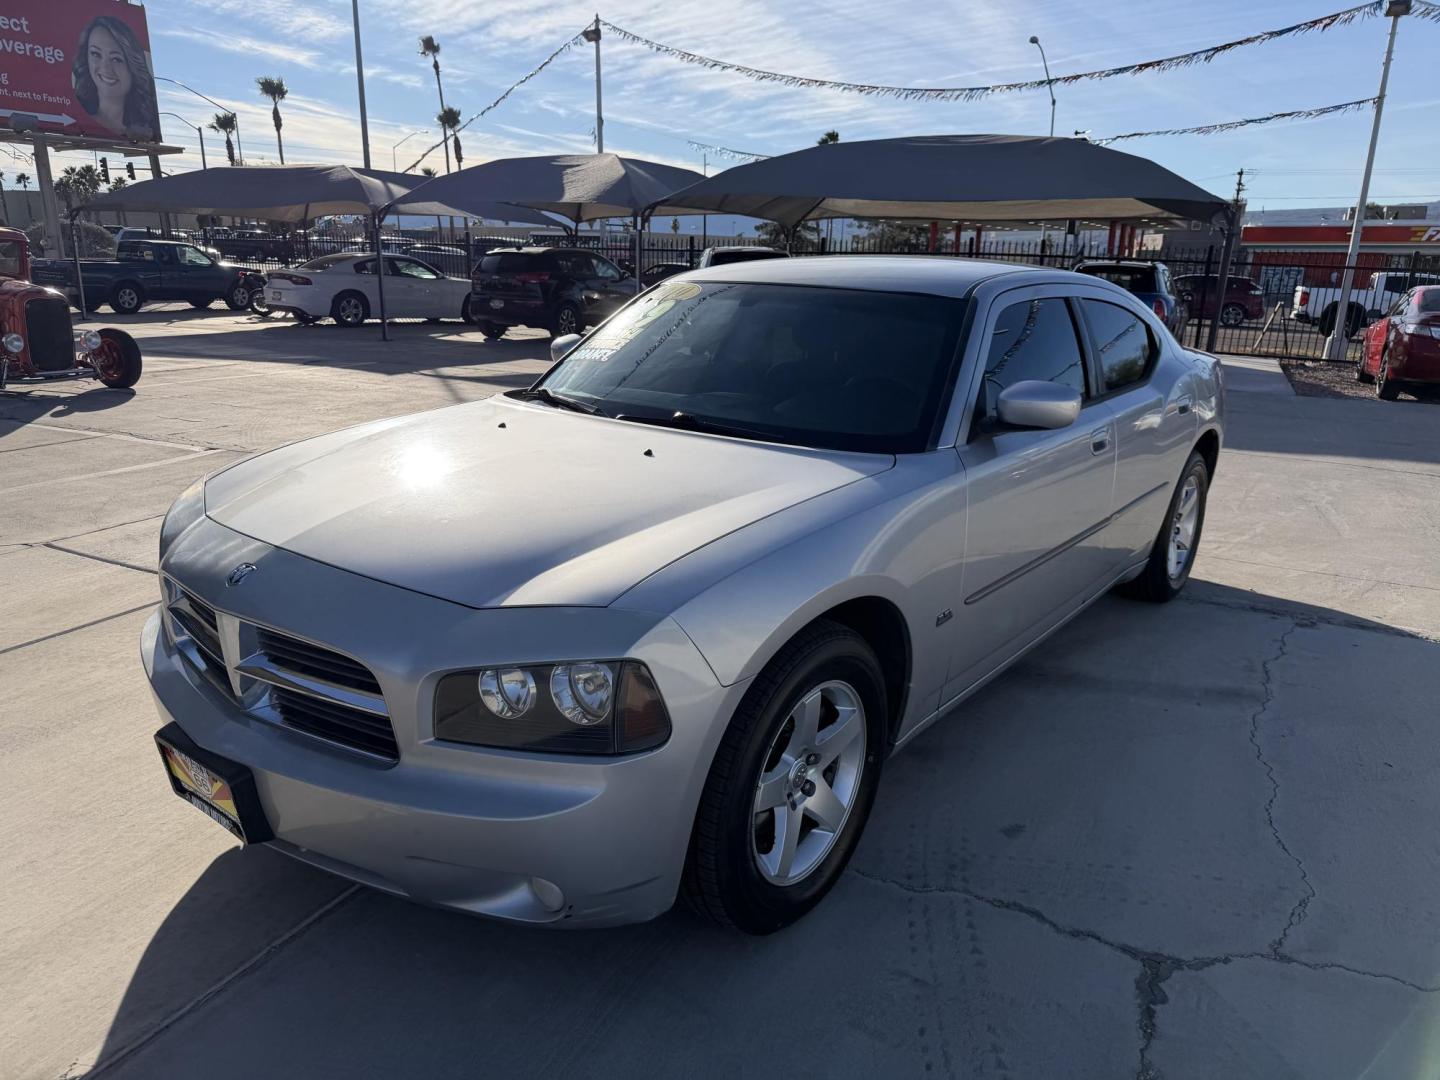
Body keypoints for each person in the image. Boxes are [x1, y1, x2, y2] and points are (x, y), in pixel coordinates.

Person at [71, 16, 160, 142]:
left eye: (116, 59)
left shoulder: (147, 128)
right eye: (96, 54)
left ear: (133, 66)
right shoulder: (76, 117)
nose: (105, 68)